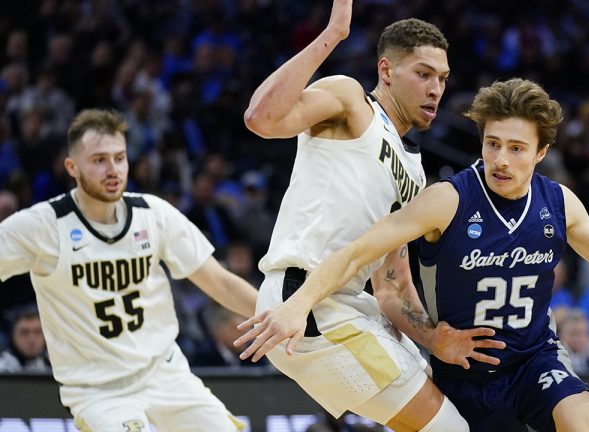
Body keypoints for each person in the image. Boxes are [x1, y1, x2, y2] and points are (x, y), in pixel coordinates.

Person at [238, 78, 589, 431]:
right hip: (464, 372)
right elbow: (355, 253)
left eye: (516, 148)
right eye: (493, 144)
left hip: (534, 360)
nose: (501, 159)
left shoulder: (558, 202)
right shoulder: (447, 200)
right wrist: (299, 303)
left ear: (541, 152)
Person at [238, 1, 500, 431]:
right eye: (423, 74)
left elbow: (392, 285)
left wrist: (433, 338)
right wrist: (334, 34)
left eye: (442, 78)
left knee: (464, 416)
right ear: (386, 70)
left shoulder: (414, 171)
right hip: (306, 301)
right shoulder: (351, 101)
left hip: (356, 308)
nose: (435, 89)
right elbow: (261, 119)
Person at [0, 109, 259, 431]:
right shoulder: (43, 226)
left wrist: (280, 314)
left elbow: (220, 282)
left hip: (165, 373)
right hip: (99, 391)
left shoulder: (153, 213)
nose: (113, 170)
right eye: (99, 160)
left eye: (119, 158)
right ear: (72, 167)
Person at [0, 306, 50, 372]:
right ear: (13, 336)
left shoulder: (56, 363)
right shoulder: (3, 367)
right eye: (24, 333)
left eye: (37, 332)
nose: (32, 340)